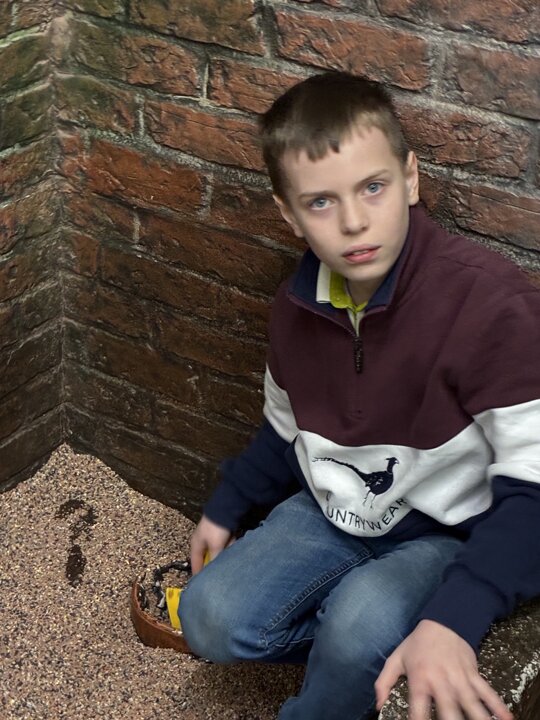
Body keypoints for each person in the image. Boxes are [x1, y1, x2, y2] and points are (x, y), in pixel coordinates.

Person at [178, 71, 540, 720]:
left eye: (373, 187)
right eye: (321, 202)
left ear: (410, 179)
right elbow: (285, 430)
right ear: (289, 214)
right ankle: (362, 652)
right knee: (208, 617)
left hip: (446, 533)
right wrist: (228, 504)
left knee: (356, 628)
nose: (353, 222)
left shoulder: (490, 304)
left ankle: (359, 658)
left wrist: (457, 616)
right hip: (332, 514)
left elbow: (535, 482)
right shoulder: (295, 310)